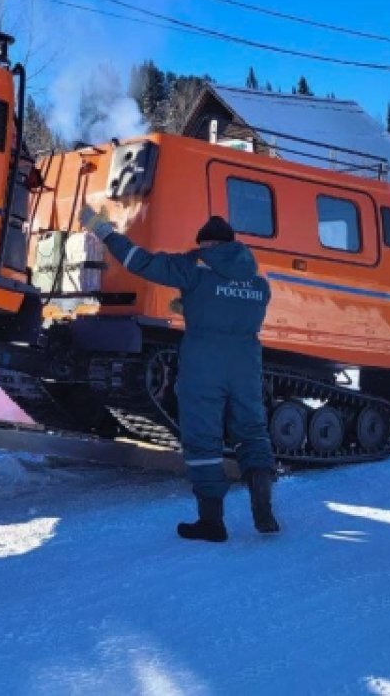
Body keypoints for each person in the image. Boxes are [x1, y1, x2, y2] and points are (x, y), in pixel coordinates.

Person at [79, 205, 278, 542]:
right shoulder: (259, 284)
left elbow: (139, 261)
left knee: (203, 437)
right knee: (251, 430)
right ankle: (262, 493)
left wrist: (105, 232)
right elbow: (230, 307)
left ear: (209, 245)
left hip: (204, 362)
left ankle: (212, 522)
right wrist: (194, 304)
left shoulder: (194, 269)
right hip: (245, 363)